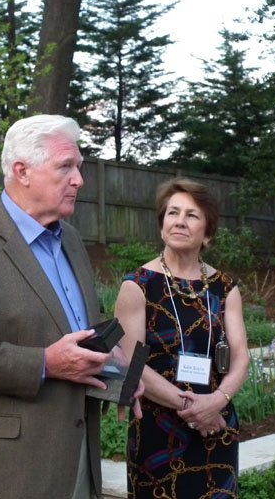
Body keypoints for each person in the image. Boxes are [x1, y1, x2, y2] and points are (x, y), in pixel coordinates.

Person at [0, 114, 137, 499]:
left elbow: (67, 325)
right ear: (22, 171)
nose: (79, 180)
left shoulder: (69, 238)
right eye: (65, 167)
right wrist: (45, 363)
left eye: (79, 167)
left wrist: (118, 370)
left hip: (76, 458)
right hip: (6, 468)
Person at [114, 177, 250, 498]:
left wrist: (217, 402)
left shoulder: (225, 287)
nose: (180, 221)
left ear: (208, 233)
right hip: (158, 430)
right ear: (162, 224)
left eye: (192, 215)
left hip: (216, 427)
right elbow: (130, 361)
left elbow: (241, 356)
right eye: (173, 213)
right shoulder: (138, 285)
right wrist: (191, 408)